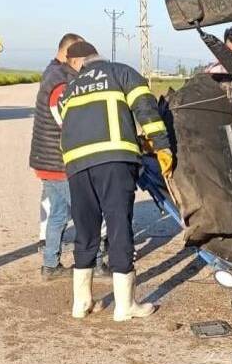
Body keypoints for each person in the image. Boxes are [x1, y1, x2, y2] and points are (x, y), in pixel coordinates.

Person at [59, 41, 173, 321]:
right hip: (114, 161)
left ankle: (81, 303)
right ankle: (125, 307)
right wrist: (162, 146)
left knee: (85, 231)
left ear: (79, 62)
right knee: (119, 225)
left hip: (76, 165)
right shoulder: (121, 73)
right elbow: (146, 110)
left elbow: (69, 122)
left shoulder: (71, 88)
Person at [30, 33, 83, 281]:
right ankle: (90, 264)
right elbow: (67, 122)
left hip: (47, 160)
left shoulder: (53, 72)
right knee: (84, 212)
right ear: (69, 54)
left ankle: (50, 265)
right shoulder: (60, 81)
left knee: (59, 214)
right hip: (58, 162)